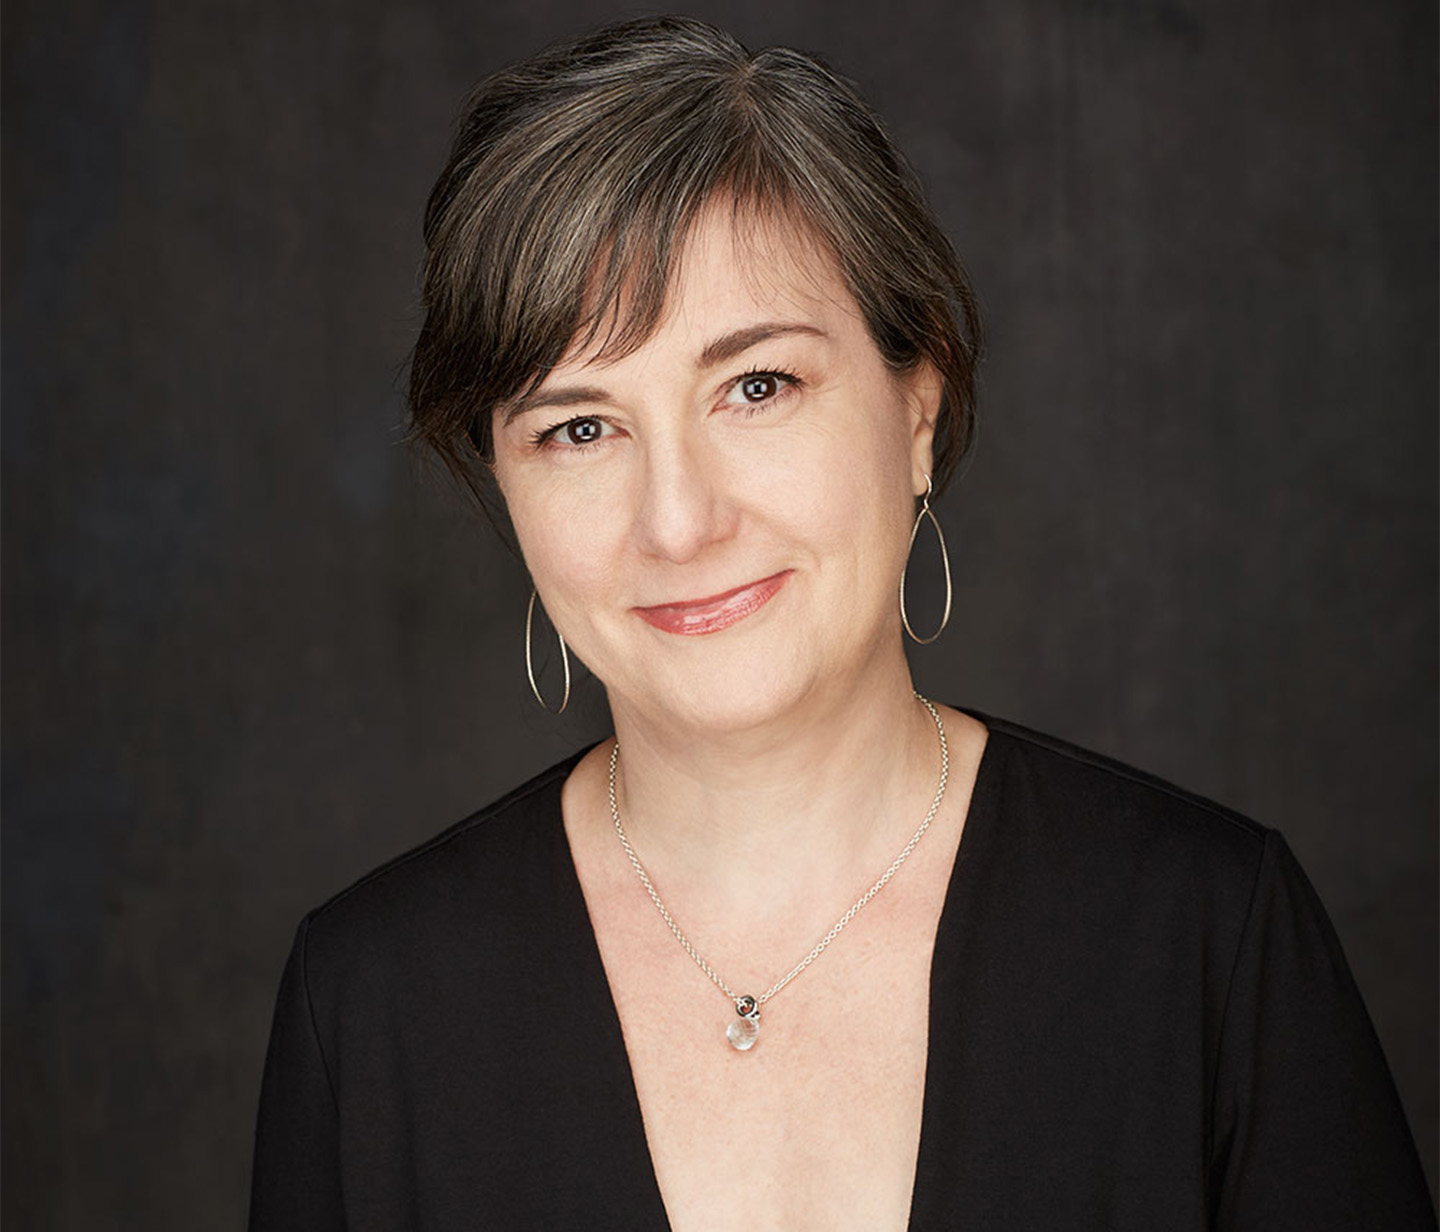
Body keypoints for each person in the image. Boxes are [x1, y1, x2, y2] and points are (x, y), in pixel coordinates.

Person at [248, 16, 1435, 1230]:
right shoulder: (369, 1000)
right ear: (505, 481)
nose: (679, 520)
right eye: (580, 427)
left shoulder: (1209, 938)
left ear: (918, 407)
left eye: (756, 385)